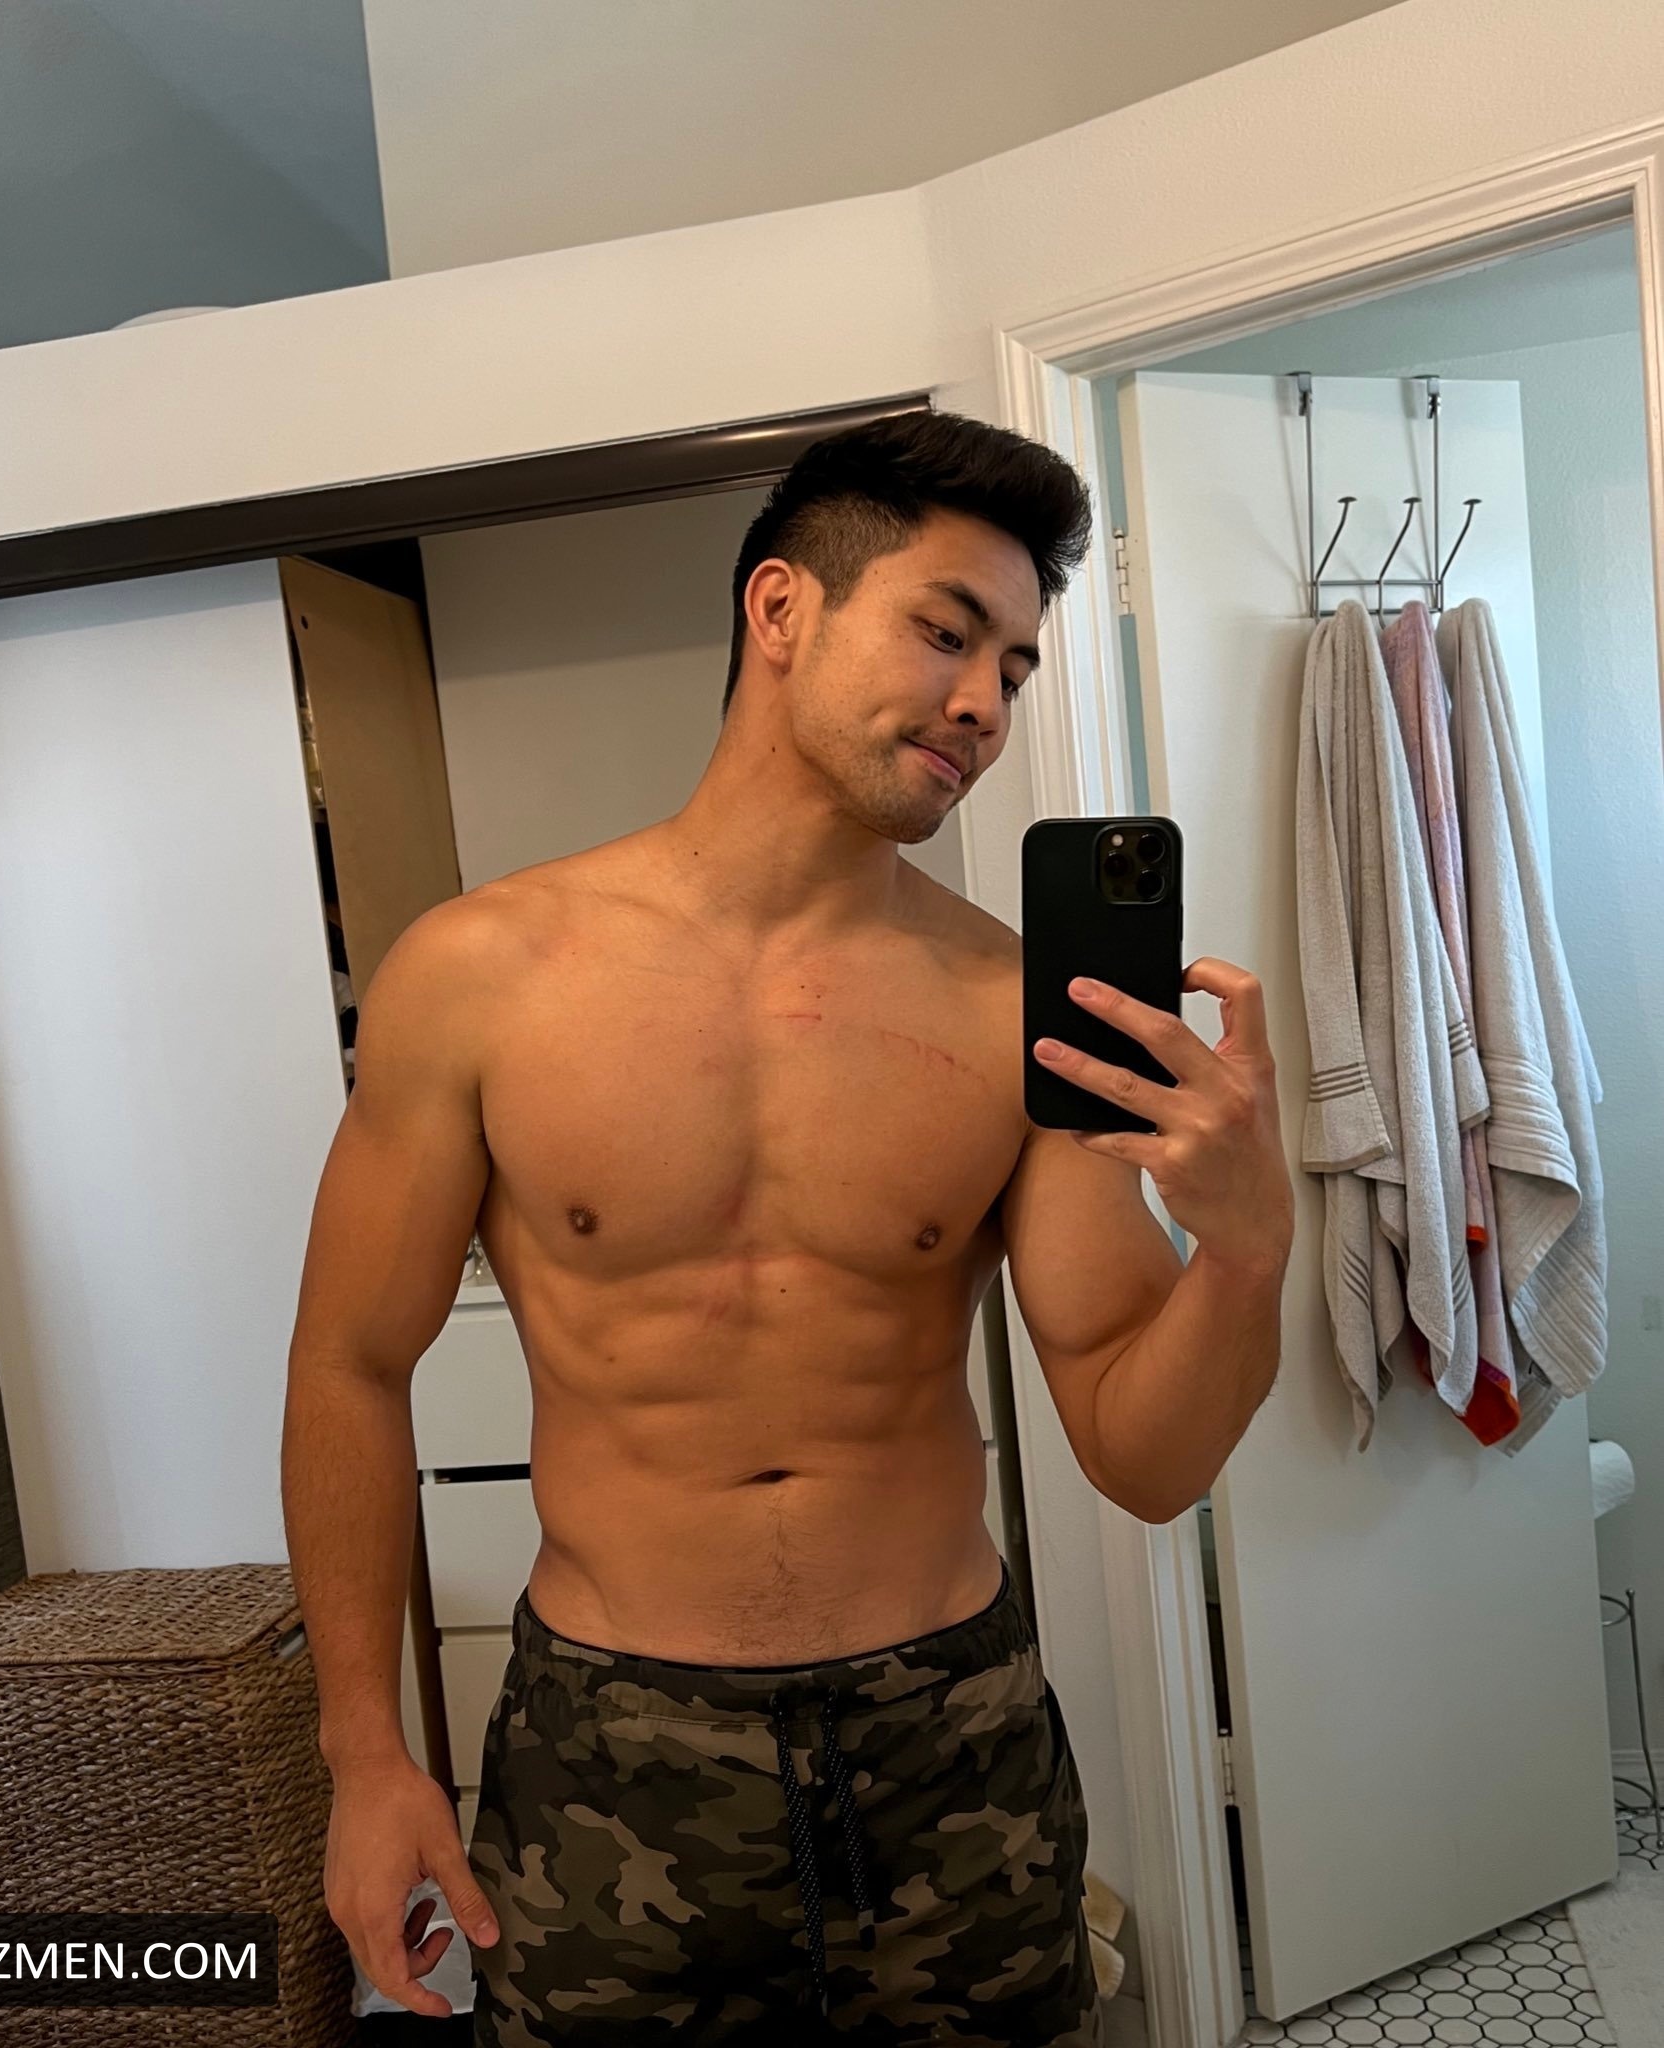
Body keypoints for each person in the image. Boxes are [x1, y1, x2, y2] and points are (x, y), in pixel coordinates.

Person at [280, 411, 1295, 2045]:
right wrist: (364, 1753)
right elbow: (348, 1363)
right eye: (946, 632)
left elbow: (1145, 1454)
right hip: (609, 1752)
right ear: (780, 610)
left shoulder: (1016, 1009)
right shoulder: (481, 977)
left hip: (948, 1742)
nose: (984, 703)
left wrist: (1246, 1250)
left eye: (1014, 668)